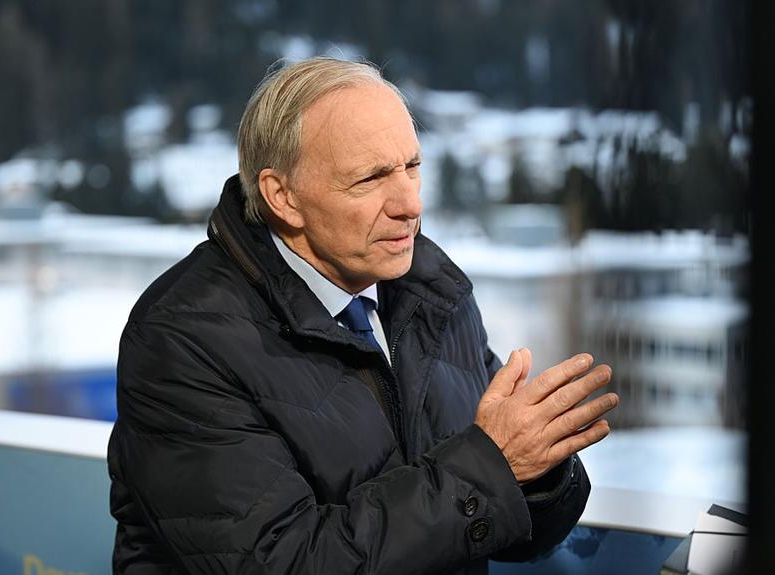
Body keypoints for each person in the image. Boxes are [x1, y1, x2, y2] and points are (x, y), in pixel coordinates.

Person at [107, 57, 619, 575]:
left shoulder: (433, 288)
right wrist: (489, 466)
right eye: (371, 178)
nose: (409, 204)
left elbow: (496, 527)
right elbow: (283, 563)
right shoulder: (182, 338)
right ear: (283, 196)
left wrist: (538, 471)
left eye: (412, 167)